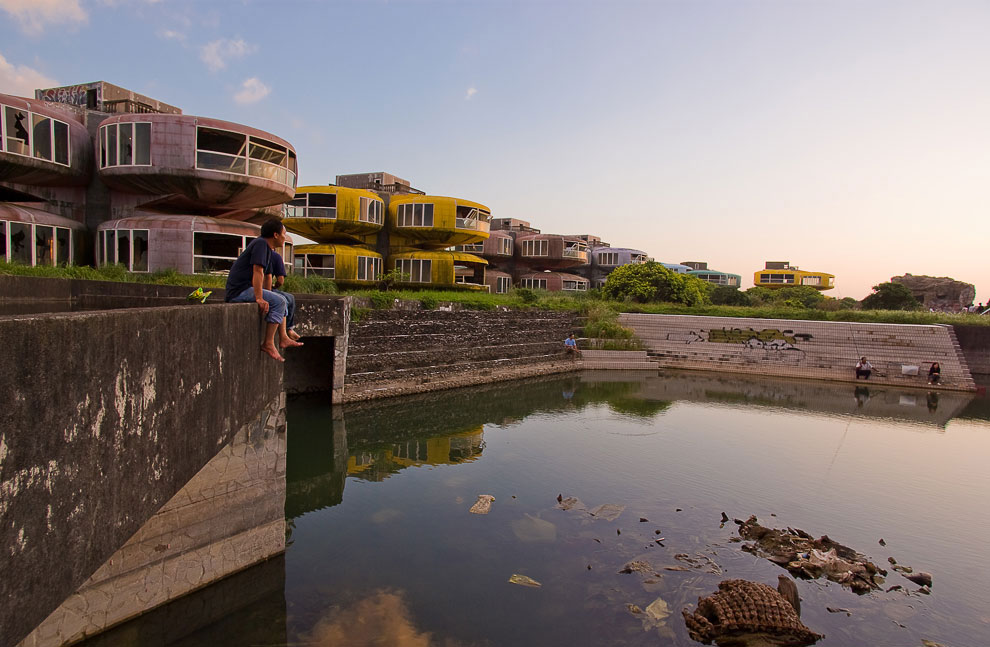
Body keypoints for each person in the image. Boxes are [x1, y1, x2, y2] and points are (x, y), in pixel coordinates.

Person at [225, 218, 302, 362]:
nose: (285, 237)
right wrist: (259, 298)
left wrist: (265, 295)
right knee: (279, 302)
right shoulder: (261, 244)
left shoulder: (266, 248)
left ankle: (283, 337)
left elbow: (266, 276)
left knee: (283, 299)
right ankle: (268, 343)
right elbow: (258, 271)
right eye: (284, 234)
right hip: (239, 290)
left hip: (245, 288)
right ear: (275, 235)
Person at [269, 250, 301, 343]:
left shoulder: (254, 253)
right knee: (285, 300)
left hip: (250, 287)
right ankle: (287, 330)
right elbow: (280, 280)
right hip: (265, 288)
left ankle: (288, 330)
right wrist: (275, 287)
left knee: (289, 298)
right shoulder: (275, 256)